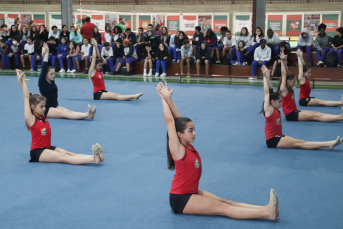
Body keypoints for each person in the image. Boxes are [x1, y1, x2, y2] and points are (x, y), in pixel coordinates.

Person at [156, 81, 279, 220]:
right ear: (180, 134)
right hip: (181, 198)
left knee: (226, 201)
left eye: (194, 129)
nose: (195, 133)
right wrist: (163, 98)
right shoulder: (177, 150)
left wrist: (169, 98)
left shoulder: (187, 145)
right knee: (223, 208)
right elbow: (170, 122)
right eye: (191, 131)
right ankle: (267, 214)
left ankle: (266, 208)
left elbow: (178, 120)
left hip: (191, 191)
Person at [16, 69, 103, 164]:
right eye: (41, 106)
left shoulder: (41, 116)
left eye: (44, 106)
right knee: (63, 157)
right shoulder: (31, 119)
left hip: (48, 146)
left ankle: (95, 156)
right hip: (38, 151)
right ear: (32, 107)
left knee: (68, 153)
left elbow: (29, 96)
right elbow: (26, 98)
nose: (44, 108)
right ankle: (93, 159)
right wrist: (23, 81)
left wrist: (21, 81)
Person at [261, 65, 342, 150]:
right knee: (300, 143)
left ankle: (329, 141)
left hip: (278, 136)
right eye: (279, 102)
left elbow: (269, 90)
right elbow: (266, 92)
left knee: (301, 141)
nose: (281, 104)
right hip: (273, 140)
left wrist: (267, 77)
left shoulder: (274, 106)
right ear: (272, 102)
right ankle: (328, 144)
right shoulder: (269, 110)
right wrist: (264, 76)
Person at [278, 51, 343, 122]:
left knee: (317, 113)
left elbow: (286, 72)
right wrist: (282, 61)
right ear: (288, 81)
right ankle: (340, 117)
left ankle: (340, 116)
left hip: (295, 111)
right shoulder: (284, 90)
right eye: (293, 82)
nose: (294, 83)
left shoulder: (289, 88)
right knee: (316, 116)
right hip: (291, 115)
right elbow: (284, 74)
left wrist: (284, 61)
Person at [39, 43, 96, 119]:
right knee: (66, 114)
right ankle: (86, 114)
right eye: (51, 74)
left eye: (54, 73)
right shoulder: (42, 82)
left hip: (55, 106)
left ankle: (90, 115)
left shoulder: (51, 80)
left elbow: (49, 65)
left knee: (70, 111)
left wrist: (45, 54)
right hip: (47, 109)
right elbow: (45, 66)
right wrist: (46, 53)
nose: (54, 75)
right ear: (45, 74)